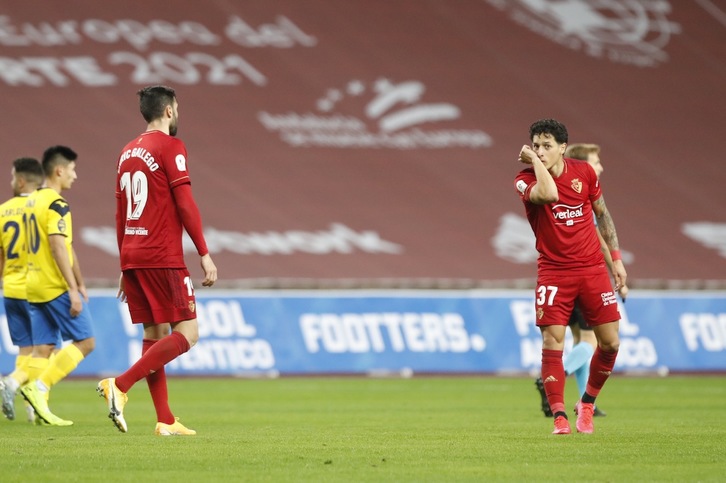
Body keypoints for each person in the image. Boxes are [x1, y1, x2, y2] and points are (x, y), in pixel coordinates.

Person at [97, 85, 217, 436]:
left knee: (154, 333)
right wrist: (204, 253)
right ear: (168, 111)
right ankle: (120, 384)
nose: (177, 114)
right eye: (176, 109)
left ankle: (164, 419)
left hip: (133, 252)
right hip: (162, 253)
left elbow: (120, 213)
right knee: (189, 332)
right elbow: (185, 204)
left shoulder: (126, 152)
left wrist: (124, 264)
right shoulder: (171, 147)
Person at [514, 120, 626, 435]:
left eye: (547, 145)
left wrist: (615, 260)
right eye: (536, 145)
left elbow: (601, 215)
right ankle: (560, 416)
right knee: (553, 342)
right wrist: (536, 162)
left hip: (592, 270)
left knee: (610, 342)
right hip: (554, 271)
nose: (540, 151)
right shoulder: (524, 179)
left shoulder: (585, 173)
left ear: (563, 147)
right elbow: (548, 193)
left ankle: (586, 403)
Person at [19, 146, 96, 426]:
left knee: (45, 345)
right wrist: (72, 288)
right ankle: (38, 388)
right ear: (59, 170)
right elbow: (58, 246)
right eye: (73, 170)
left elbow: (67, 244)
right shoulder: (57, 204)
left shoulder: (29, 202)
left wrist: (82, 281)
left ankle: (35, 409)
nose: (75, 176)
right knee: (86, 342)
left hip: (31, 285)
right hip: (54, 286)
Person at [0, 157, 45, 422]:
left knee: (25, 350)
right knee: (44, 349)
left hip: (11, 289)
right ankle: (32, 402)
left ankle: (25, 403)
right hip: (37, 289)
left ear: (20, 180)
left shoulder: (2, 211)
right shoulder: (41, 208)